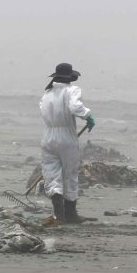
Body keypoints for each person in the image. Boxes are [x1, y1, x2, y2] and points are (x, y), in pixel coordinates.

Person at [40, 62, 96, 223]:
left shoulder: (47, 93)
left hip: (48, 136)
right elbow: (75, 107)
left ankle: (59, 215)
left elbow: (42, 109)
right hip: (66, 137)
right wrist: (88, 116)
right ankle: (71, 214)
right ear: (70, 78)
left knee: (51, 174)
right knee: (69, 174)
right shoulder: (72, 90)